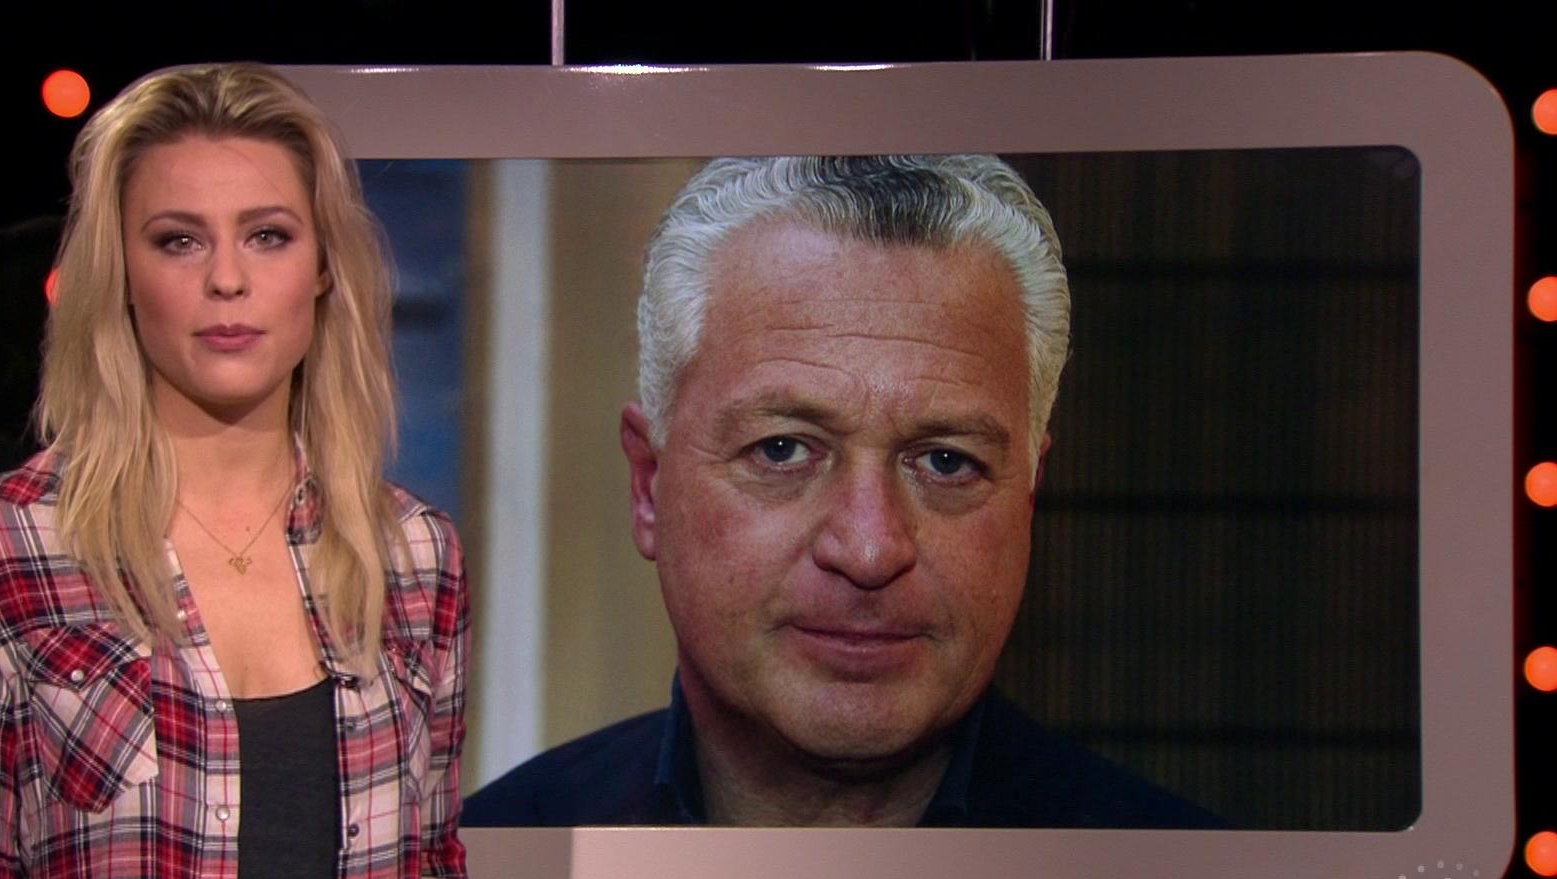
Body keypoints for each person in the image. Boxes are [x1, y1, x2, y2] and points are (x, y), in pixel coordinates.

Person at [0, 63, 487, 879]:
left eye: (268, 235)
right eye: (179, 240)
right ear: (119, 272)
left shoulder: (414, 555)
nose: (227, 281)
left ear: (323, 267)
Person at [465, 155, 1220, 829]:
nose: (868, 548)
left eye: (946, 463)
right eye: (783, 450)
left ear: (1028, 500)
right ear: (648, 488)